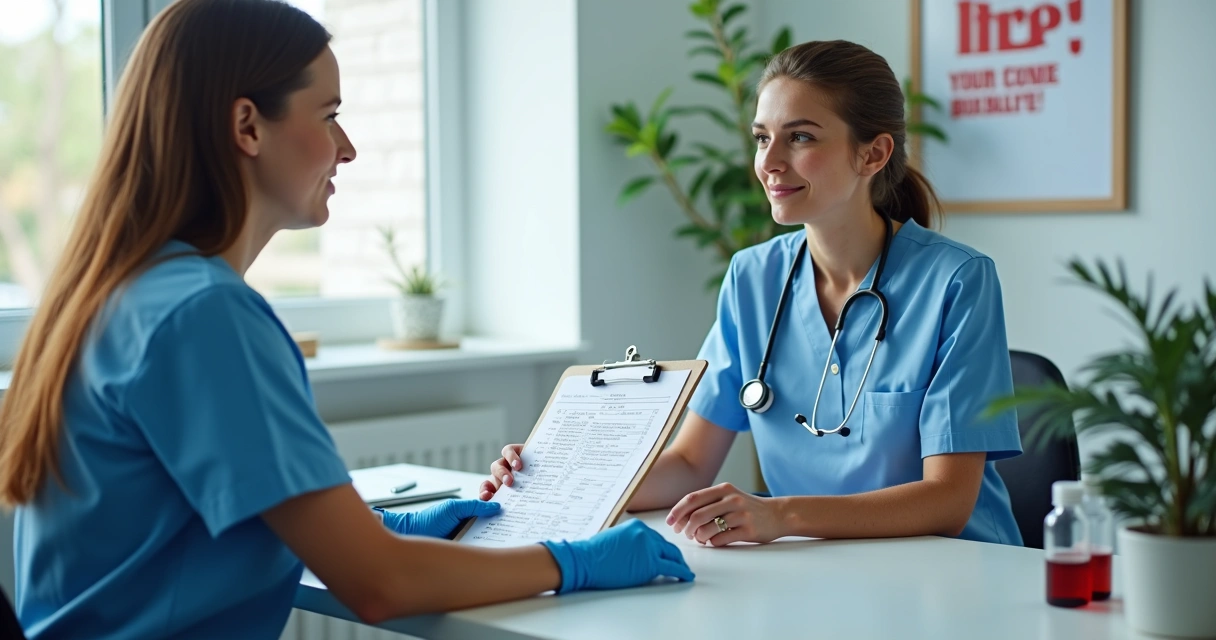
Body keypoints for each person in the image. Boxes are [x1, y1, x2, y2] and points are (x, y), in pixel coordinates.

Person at [0, 1, 692, 637]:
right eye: (328, 114)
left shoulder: (119, 292)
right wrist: (573, 561)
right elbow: (380, 585)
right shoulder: (204, 315)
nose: (348, 146)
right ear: (247, 126)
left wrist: (380, 524)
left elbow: (191, 512)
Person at [483, 40, 1024, 548]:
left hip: (951, 571)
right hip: (814, 566)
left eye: (802, 137)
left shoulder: (957, 281)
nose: (769, 162)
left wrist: (779, 514)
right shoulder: (752, 278)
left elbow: (949, 500)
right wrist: (555, 477)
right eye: (763, 137)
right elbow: (692, 464)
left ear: (873, 154)